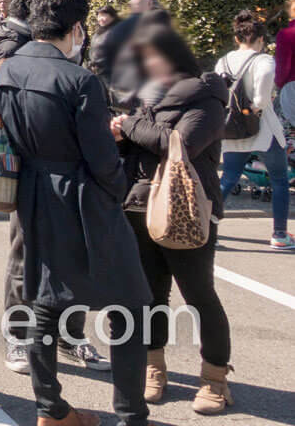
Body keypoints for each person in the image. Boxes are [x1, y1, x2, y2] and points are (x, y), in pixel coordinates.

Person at [0, 0, 150, 426]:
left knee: (44, 301)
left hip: (33, 194)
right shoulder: (79, 80)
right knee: (131, 307)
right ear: (76, 27)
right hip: (82, 196)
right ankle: (130, 414)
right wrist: (118, 186)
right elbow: (102, 160)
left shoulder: (8, 69)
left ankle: (50, 409)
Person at [113, 21, 234, 415]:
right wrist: (123, 135)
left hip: (188, 211)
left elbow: (177, 144)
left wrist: (129, 125)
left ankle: (215, 378)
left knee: (199, 295)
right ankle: (154, 368)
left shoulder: (207, 97)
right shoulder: (146, 97)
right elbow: (145, 144)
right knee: (150, 295)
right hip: (139, 205)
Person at [216, 10, 291, 250]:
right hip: (264, 130)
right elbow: (261, 99)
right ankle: (279, 234)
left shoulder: (223, 61)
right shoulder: (264, 61)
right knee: (279, 180)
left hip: (231, 129)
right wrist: (253, 111)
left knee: (227, 179)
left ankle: (208, 229)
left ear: (237, 38)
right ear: (261, 39)